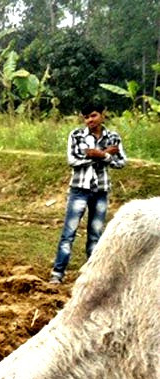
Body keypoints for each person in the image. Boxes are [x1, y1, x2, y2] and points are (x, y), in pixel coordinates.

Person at [49, 102, 127, 284]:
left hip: (101, 190)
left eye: (93, 116)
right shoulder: (76, 135)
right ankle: (58, 273)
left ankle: (91, 276)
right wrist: (106, 155)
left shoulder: (113, 136)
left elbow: (122, 162)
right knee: (69, 233)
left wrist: (98, 154)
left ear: (102, 115)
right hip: (79, 189)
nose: (89, 120)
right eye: (86, 117)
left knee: (95, 235)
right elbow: (72, 160)